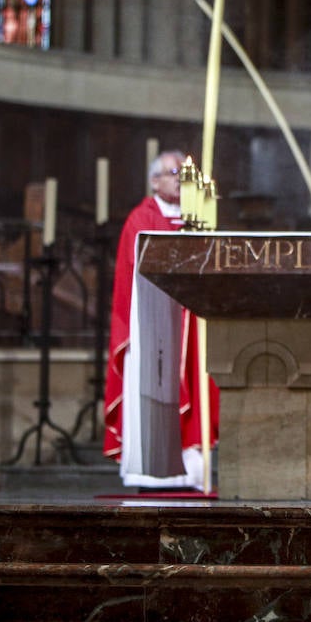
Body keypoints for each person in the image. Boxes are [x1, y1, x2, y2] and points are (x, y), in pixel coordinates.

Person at [103, 150, 218, 488]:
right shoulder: (141, 218)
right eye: (173, 173)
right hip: (151, 324)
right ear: (155, 180)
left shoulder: (195, 217)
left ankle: (193, 469)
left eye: (187, 174)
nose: (183, 181)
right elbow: (138, 272)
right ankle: (151, 470)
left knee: (194, 382)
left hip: (188, 322)